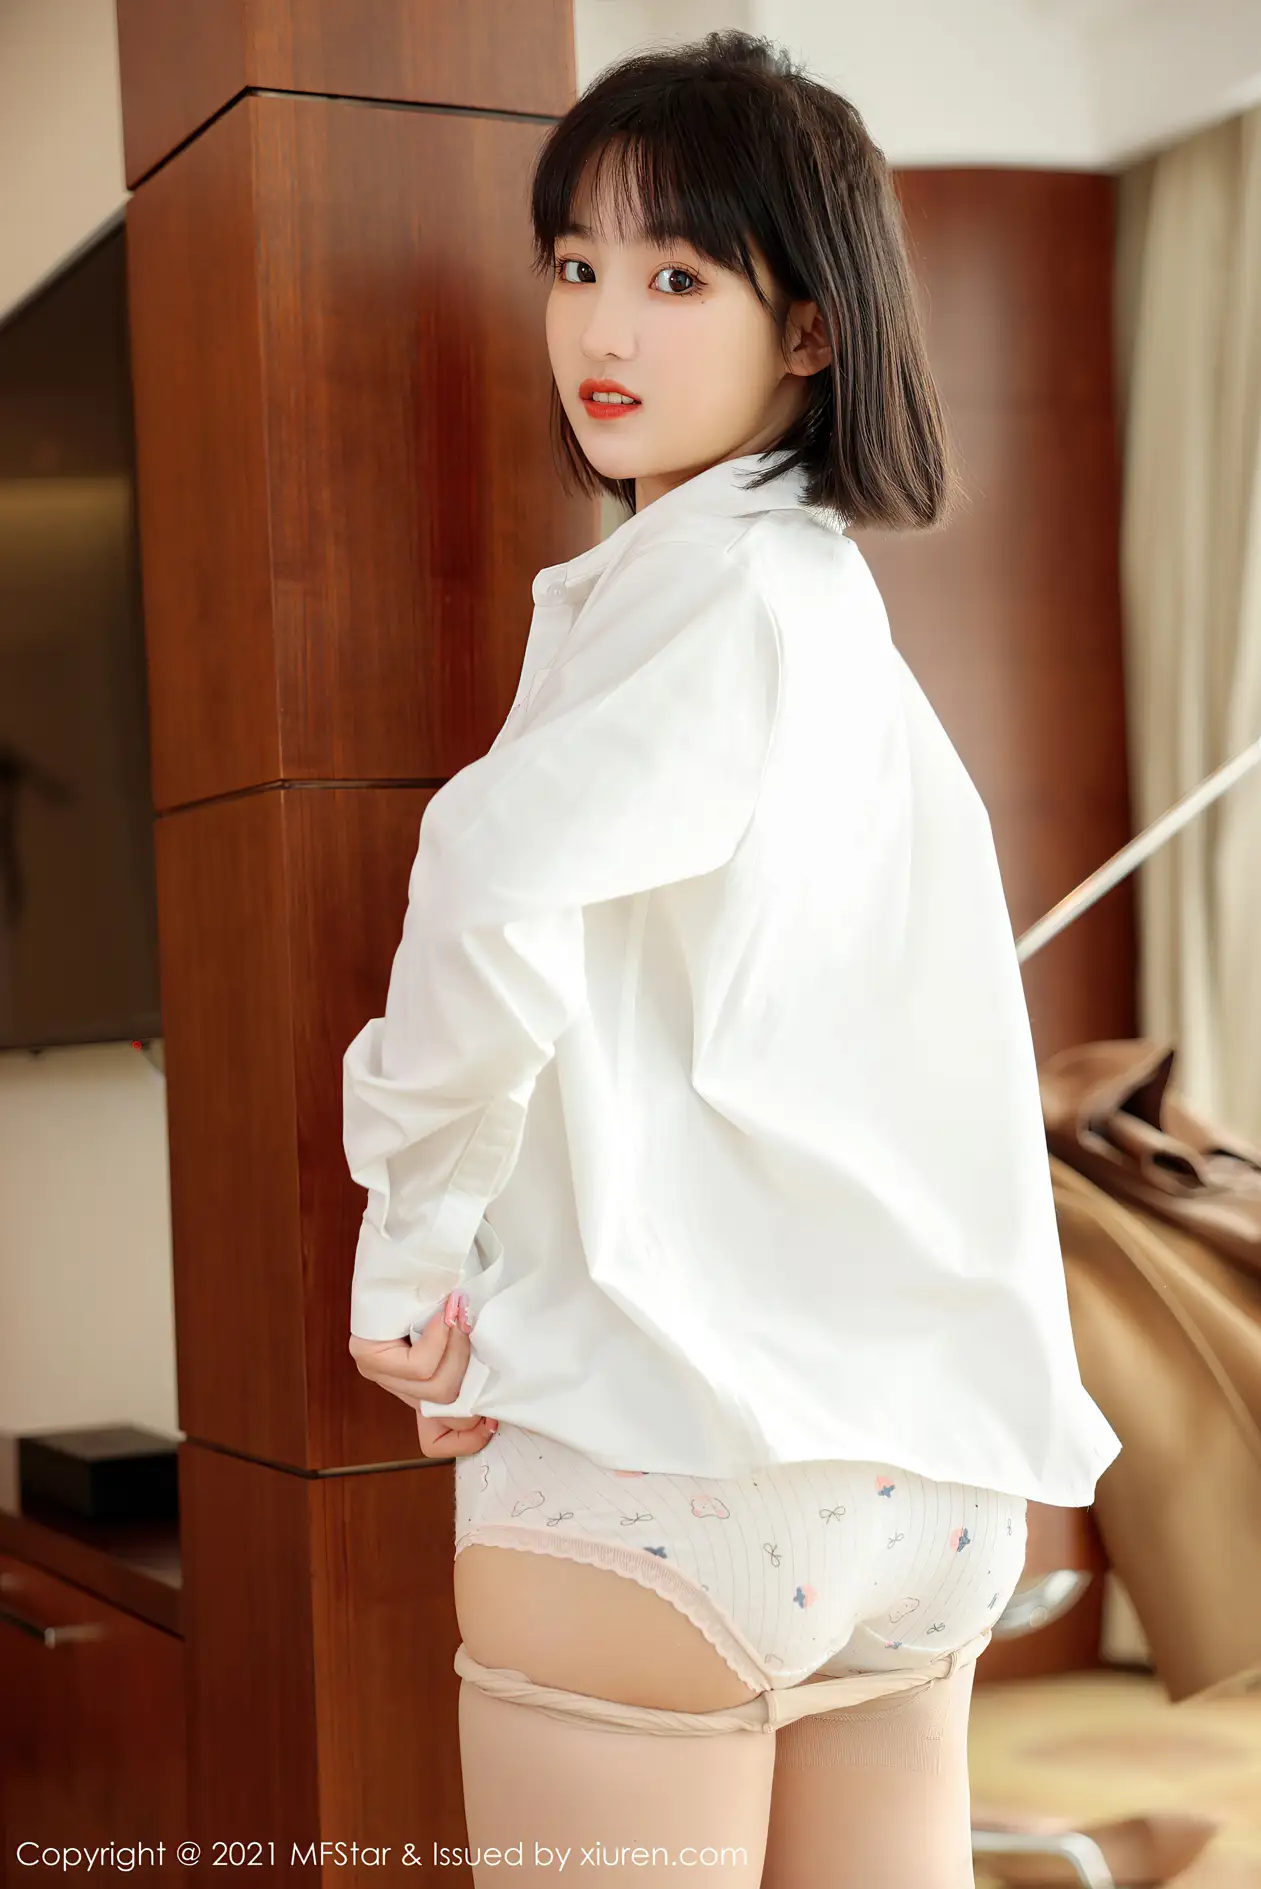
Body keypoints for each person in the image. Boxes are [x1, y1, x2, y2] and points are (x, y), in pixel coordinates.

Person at [341, 29, 1122, 1887]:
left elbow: (487, 879)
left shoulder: (705, 593)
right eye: (576, 264)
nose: (602, 326)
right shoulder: (836, 620)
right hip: (922, 1489)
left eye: (679, 276)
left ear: (813, 329)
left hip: (668, 1455)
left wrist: (411, 1250)